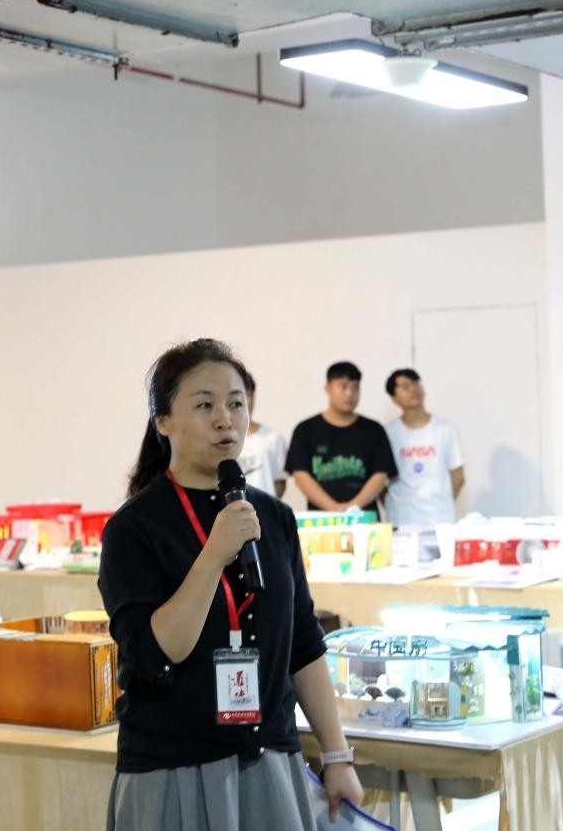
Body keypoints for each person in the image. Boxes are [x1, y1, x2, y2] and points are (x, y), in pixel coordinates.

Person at [99, 339, 363, 830]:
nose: (225, 420)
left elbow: (303, 644)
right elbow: (157, 654)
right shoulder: (133, 528)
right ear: (163, 421)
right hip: (173, 768)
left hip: (269, 760)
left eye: (236, 404)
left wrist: (337, 755)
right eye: (204, 405)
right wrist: (214, 553)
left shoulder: (273, 516)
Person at [286, 361, 397, 515]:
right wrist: (334, 508)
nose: (349, 393)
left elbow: (380, 474)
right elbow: (300, 475)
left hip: (364, 518)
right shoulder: (305, 430)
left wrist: (352, 507)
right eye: (343, 386)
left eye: (355, 387)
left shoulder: (374, 430)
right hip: (321, 520)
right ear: (328, 388)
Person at [381, 368, 465, 528]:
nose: (413, 389)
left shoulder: (445, 429)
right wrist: (393, 504)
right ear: (394, 398)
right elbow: (379, 479)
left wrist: (441, 501)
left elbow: (458, 476)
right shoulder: (388, 432)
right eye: (405, 387)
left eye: (416, 383)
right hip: (401, 517)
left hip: (439, 518)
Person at [237, 371, 288, 498]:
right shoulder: (217, 440)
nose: (244, 401)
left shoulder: (274, 439)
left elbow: (279, 484)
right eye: (237, 395)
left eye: (248, 394)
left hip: (265, 509)